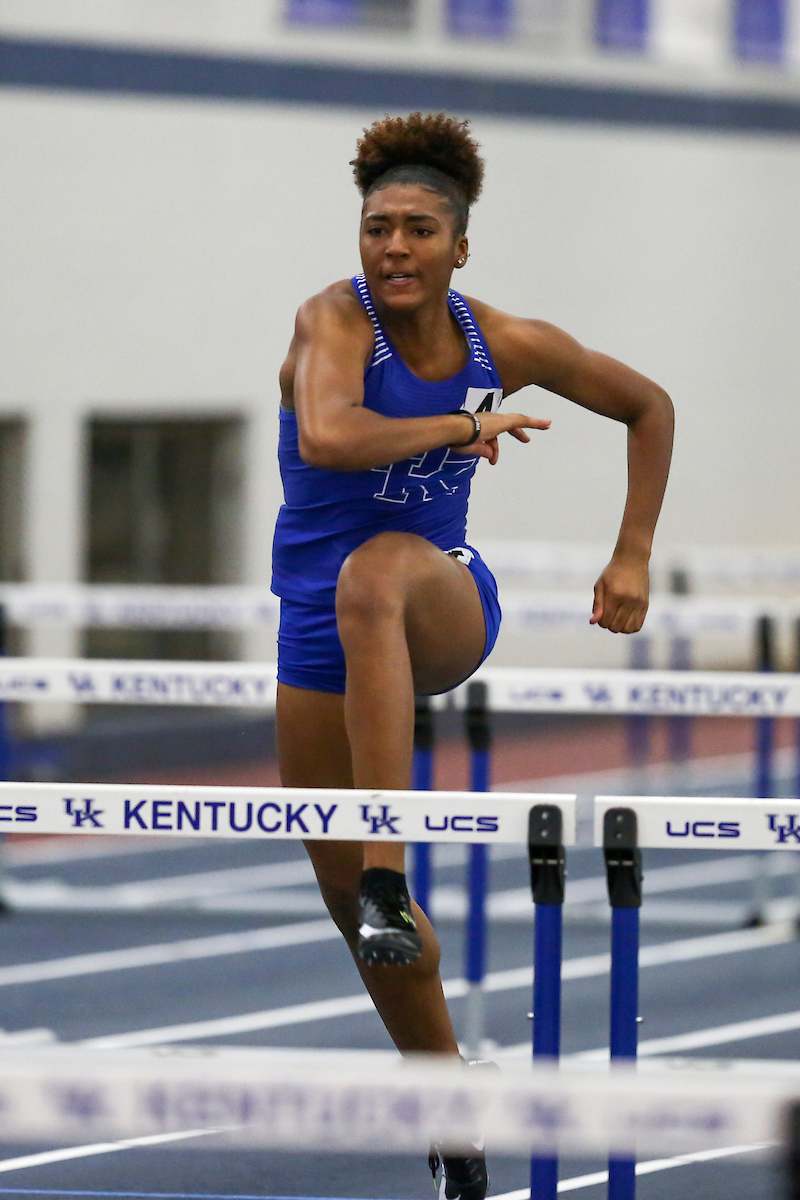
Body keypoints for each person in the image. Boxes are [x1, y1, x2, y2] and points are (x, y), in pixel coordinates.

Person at [273, 112, 673, 1198]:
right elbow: (329, 438)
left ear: (458, 247)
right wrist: (459, 429)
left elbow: (646, 405)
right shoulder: (330, 320)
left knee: (378, 571)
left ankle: (389, 876)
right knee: (360, 930)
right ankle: (451, 1109)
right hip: (317, 636)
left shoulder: (504, 343)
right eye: (374, 230)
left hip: (437, 605)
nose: (391, 249)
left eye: (414, 231)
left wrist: (629, 554)